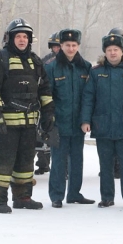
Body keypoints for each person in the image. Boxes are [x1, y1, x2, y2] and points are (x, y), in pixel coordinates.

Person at [0, 18, 54, 214]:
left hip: (29, 123)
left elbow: (45, 89)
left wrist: (48, 113)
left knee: (25, 162)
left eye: (25, 36)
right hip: (6, 124)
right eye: (18, 36)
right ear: (10, 38)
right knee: (2, 162)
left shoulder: (36, 61)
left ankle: (23, 197)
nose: (22, 40)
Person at [81, 34, 123, 210]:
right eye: (109, 50)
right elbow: (88, 98)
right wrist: (86, 120)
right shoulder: (96, 72)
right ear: (105, 52)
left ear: (122, 51)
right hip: (102, 126)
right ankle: (107, 197)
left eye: (116, 50)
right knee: (105, 165)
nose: (113, 53)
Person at [45, 28, 94, 208]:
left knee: (77, 159)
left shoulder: (86, 67)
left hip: (79, 122)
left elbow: (89, 95)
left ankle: (74, 193)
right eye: (67, 45)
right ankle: (56, 195)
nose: (71, 48)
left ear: (78, 46)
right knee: (58, 160)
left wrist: (86, 119)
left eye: (74, 45)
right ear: (61, 46)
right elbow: (46, 95)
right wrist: (49, 119)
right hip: (59, 122)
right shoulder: (51, 67)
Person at [34, 32, 60, 175]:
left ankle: (64, 169)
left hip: (61, 105)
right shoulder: (45, 61)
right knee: (42, 134)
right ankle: (42, 164)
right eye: (55, 46)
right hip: (46, 103)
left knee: (58, 139)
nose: (57, 49)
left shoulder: (71, 62)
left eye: (59, 46)